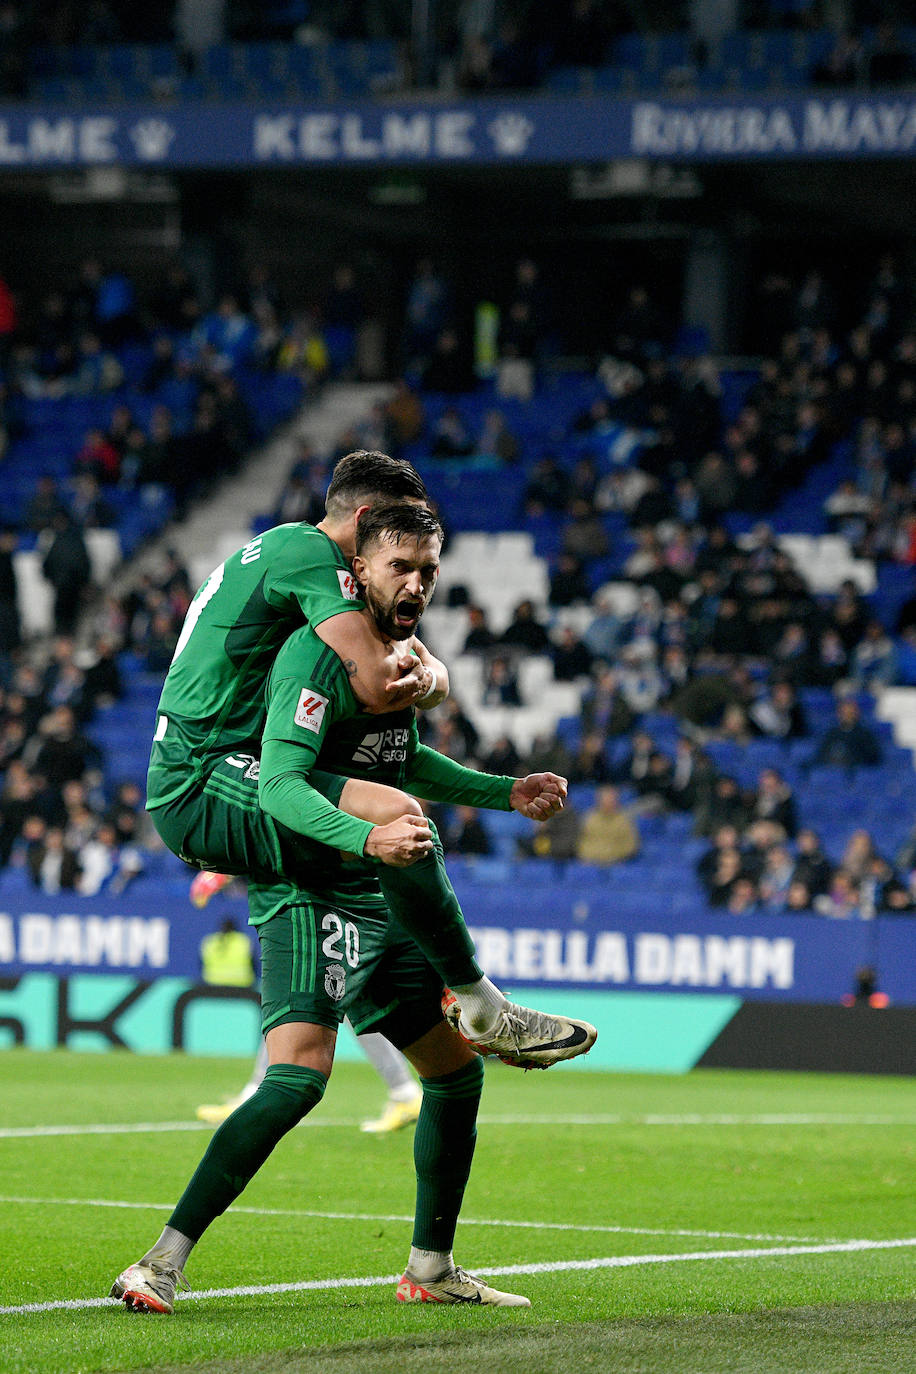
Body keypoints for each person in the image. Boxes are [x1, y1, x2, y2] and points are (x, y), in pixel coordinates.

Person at [111, 505, 594, 1315]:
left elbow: (400, 761)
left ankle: (430, 1269)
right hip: (312, 877)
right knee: (298, 1076)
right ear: (358, 568)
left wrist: (504, 791)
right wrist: (366, 842)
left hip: (363, 876)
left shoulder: (392, 658)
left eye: (428, 573)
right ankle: (158, 1263)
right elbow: (282, 785)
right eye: (400, 567)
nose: (415, 584)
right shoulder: (314, 652)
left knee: (450, 1074)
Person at [144, 450, 577, 1063]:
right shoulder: (316, 562)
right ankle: (476, 999)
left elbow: (410, 725)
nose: (416, 577)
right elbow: (382, 683)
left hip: (224, 760)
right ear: (368, 521)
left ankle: (433, 1006)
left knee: (357, 1068)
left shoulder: (291, 554)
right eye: (401, 549)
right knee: (393, 821)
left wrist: (496, 782)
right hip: (204, 770)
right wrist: (426, 680)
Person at [195, 907, 422, 1134]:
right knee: (347, 1004)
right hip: (343, 919)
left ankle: (256, 1092)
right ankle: (404, 1092)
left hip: (335, 917)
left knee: (295, 999)